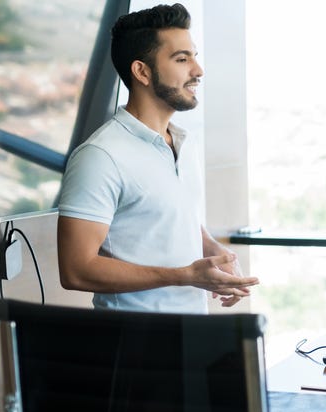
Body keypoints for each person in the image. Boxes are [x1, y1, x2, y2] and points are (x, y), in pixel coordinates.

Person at [57, 3, 258, 313]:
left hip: (188, 338)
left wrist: (214, 251)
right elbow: (75, 269)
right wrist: (184, 276)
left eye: (194, 56)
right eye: (181, 59)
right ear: (142, 71)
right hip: (132, 347)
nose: (198, 71)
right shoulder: (100, 157)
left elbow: (172, 218)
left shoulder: (180, 143)